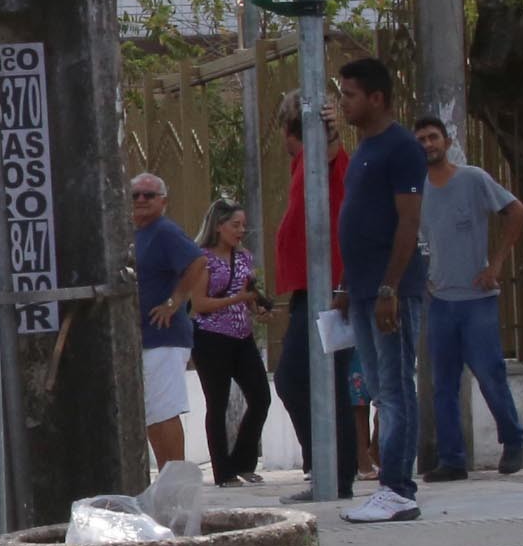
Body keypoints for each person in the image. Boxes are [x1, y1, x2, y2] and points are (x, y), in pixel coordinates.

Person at [332, 59, 428, 524]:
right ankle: (390, 487)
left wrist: (390, 285)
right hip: (364, 287)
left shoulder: (401, 148)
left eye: (350, 94)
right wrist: (347, 284)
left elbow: (408, 221)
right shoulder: (364, 149)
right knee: (375, 387)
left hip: (392, 289)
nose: (343, 102)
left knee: (394, 388)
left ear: (377, 98)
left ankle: (398, 488)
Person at [414, 117, 523, 480]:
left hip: (477, 298)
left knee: (489, 374)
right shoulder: (416, 190)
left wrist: (495, 263)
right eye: (421, 140)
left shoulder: (473, 179)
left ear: (446, 142)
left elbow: (517, 212)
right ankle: (452, 459)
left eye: (433, 138)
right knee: (443, 384)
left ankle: (512, 440)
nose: (428, 145)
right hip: (440, 301)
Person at [269, 96, 356, 489]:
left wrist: (329, 128)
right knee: (315, 379)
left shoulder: (321, 157)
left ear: (291, 132)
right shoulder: (301, 164)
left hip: (329, 288)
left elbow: (334, 149)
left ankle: (331, 468)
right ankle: (331, 469)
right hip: (312, 288)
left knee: (297, 378)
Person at [187, 199, 271, 485]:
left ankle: (243, 461)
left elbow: (249, 293)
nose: (240, 231)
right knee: (217, 404)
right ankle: (223, 471)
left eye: (243, 226)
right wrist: (239, 299)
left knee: (261, 397)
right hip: (211, 337)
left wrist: (257, 308)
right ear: (218, 226)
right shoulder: (202, 259)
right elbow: (199, 303)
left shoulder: (245, 258)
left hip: (241, 335)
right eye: (235, 225)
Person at [131, 172, 203, 466]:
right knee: (152, 412)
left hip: (164, 336)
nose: (141, 200)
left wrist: (173, 303)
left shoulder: (165, 231)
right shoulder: (136, 234)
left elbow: (197, 261)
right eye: (135, 194)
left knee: (163, 410)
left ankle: (176, 479)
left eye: (148, 195)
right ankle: (166, 476)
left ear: (163, 201)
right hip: (146, 338)